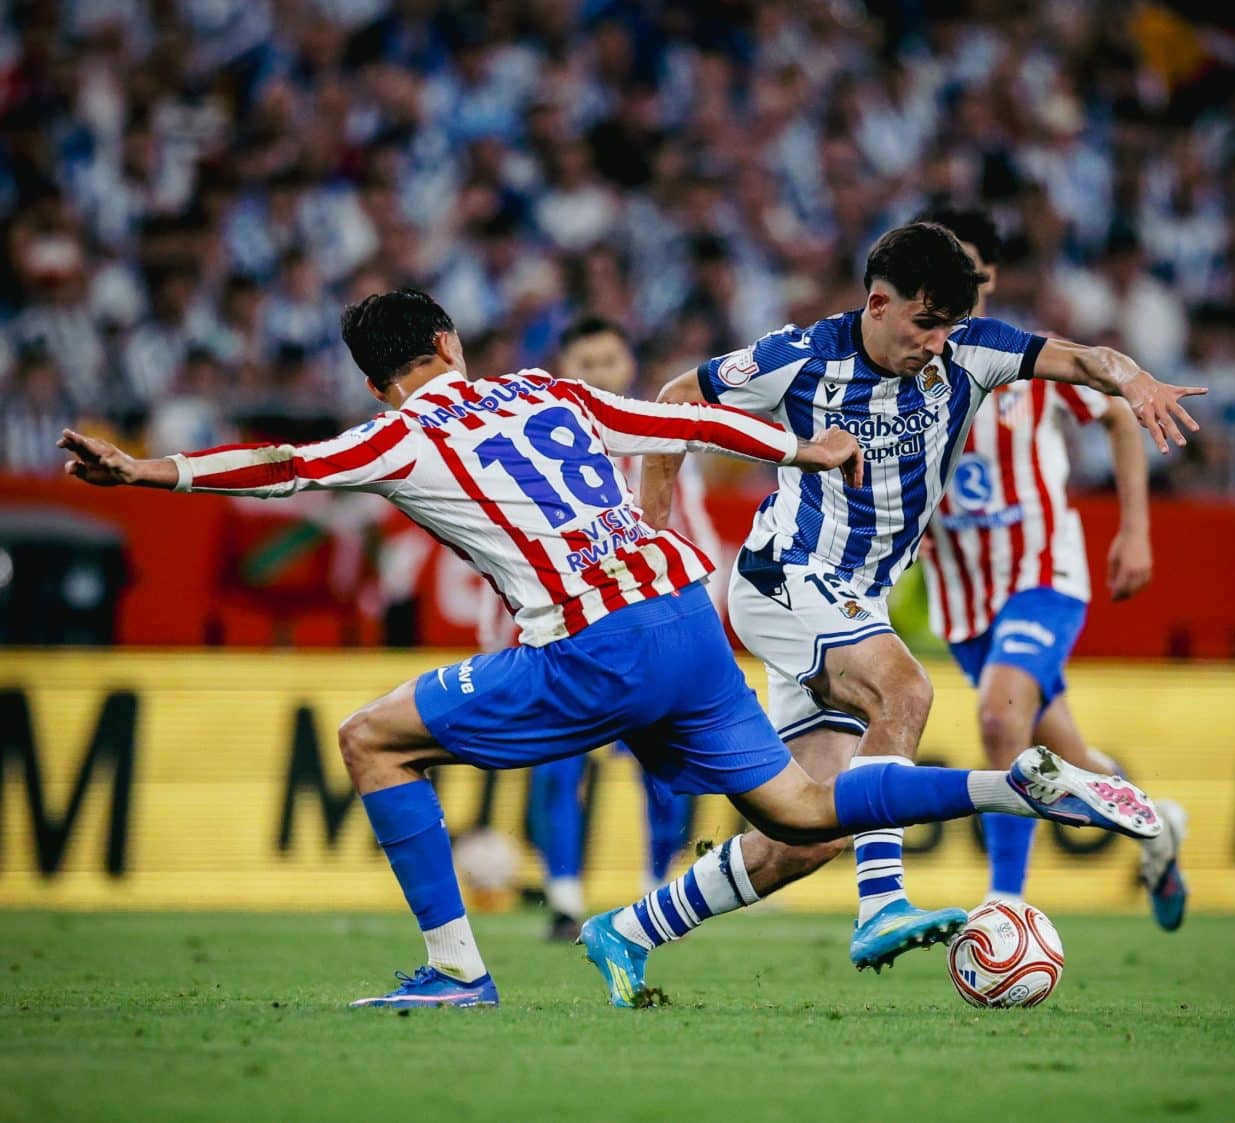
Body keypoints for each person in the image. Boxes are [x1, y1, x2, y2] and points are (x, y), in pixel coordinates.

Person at [57, 287, 1165, 1011]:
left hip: (594, 646)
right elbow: (679, 423)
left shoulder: (396, 430)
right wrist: (802, 448)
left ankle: (456, 972)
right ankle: (1007, 784)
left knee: (368, 738)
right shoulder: (544, 388)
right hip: (687, 615)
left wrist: (155, 472)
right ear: (449, 344)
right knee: (796, 812)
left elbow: (286, 465)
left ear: (376, 377)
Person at [583, 222, 1201, 1002]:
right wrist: (655, 536)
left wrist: (1134, 380)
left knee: (807, 830)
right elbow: (675, 401)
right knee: (905, 690)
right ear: (877, 302)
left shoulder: (974, 351)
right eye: (924, 323)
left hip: (851, 598)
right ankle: (883, 904)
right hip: (786, 575)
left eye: (948, 325)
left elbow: (1084, 359)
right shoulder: (798, 356)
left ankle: (629, 929)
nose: (937, 343)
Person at [915, 206, 1188, 929]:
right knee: (1059, 749)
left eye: (964, 269)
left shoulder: (1025, 355)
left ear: (990, 276)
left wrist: (1136, 529)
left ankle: (1005, 906)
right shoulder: (903, 363)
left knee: (1000, 720)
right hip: (961, 593)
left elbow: (1118, 415)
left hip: (1042, 570)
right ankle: (1156, 824)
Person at [530, 316, 709, 941]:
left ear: (628, 365)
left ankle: (655, 895)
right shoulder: (542, 455)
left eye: (609, 361)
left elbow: (697, 538)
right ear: (565, 375)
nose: (601, 374)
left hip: (652, 635)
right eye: (588, 364)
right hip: (574, 638)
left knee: (665, 771)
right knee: (560, 769)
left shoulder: (660, 441)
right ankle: (563, 900)